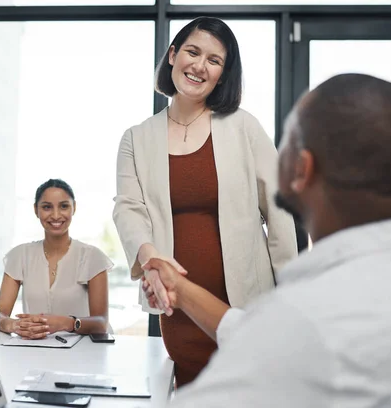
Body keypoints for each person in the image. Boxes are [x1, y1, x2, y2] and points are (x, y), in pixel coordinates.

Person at [143, 73, 391, 407]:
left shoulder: (305, 317)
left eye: (288, 141)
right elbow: (263, 338)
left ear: (302, 168)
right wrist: (181, 289)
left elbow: (287, 339)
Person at [113, 16, 297, 386]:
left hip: (249, 305)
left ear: (223, 74)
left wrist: (292, 294)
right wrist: (151, 259)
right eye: (193, 52)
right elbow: (129, 208)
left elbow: (280, 212)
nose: (199, 66)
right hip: (178, 310)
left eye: (214, 60)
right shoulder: (136, 138)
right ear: (172, 55)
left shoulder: (244, 127)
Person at [0, 179, 113, 338]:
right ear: (36, 210)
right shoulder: (19, 256)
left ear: (74, 208)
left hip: (83, 352)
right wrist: (13, 324)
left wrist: (66, 323)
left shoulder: (92, 257)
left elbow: (101, 323)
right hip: (34, 349)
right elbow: (0, 315)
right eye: (46, 207)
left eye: (64, 206)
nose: (56, 215)